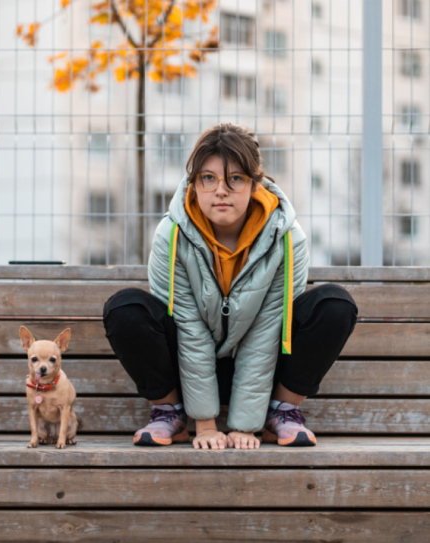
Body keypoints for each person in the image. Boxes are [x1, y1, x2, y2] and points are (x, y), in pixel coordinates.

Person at [103, 123, 357, 451]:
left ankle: (281, 412)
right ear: (194, 185)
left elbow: (266, 331)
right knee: (127, 309)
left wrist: (245, 425)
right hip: (187, 369)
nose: (221, 190)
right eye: (208, 178)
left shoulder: (287, 237)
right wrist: (205, 426)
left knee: (334, 305)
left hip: (261, 375)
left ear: (255, 184)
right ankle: (170, 413)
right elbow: (188, 329)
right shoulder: (172, 234)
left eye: (234, 178)